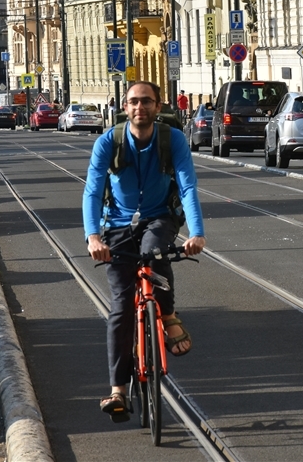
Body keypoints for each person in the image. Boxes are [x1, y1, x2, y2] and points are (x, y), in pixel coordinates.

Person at [83, 81, 207, 422]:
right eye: (134, 102)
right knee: (121, 306)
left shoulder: (172, 139)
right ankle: (118, 391)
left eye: (147, 102)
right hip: (118, 223)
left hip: (158, 217)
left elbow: (187, 185)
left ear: (158, 105)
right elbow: (93, 191)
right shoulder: (109, 141)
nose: (140, 107)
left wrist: (196, 233)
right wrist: (93, 237)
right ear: (125, 106)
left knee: (155, 255)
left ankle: (166, 315)